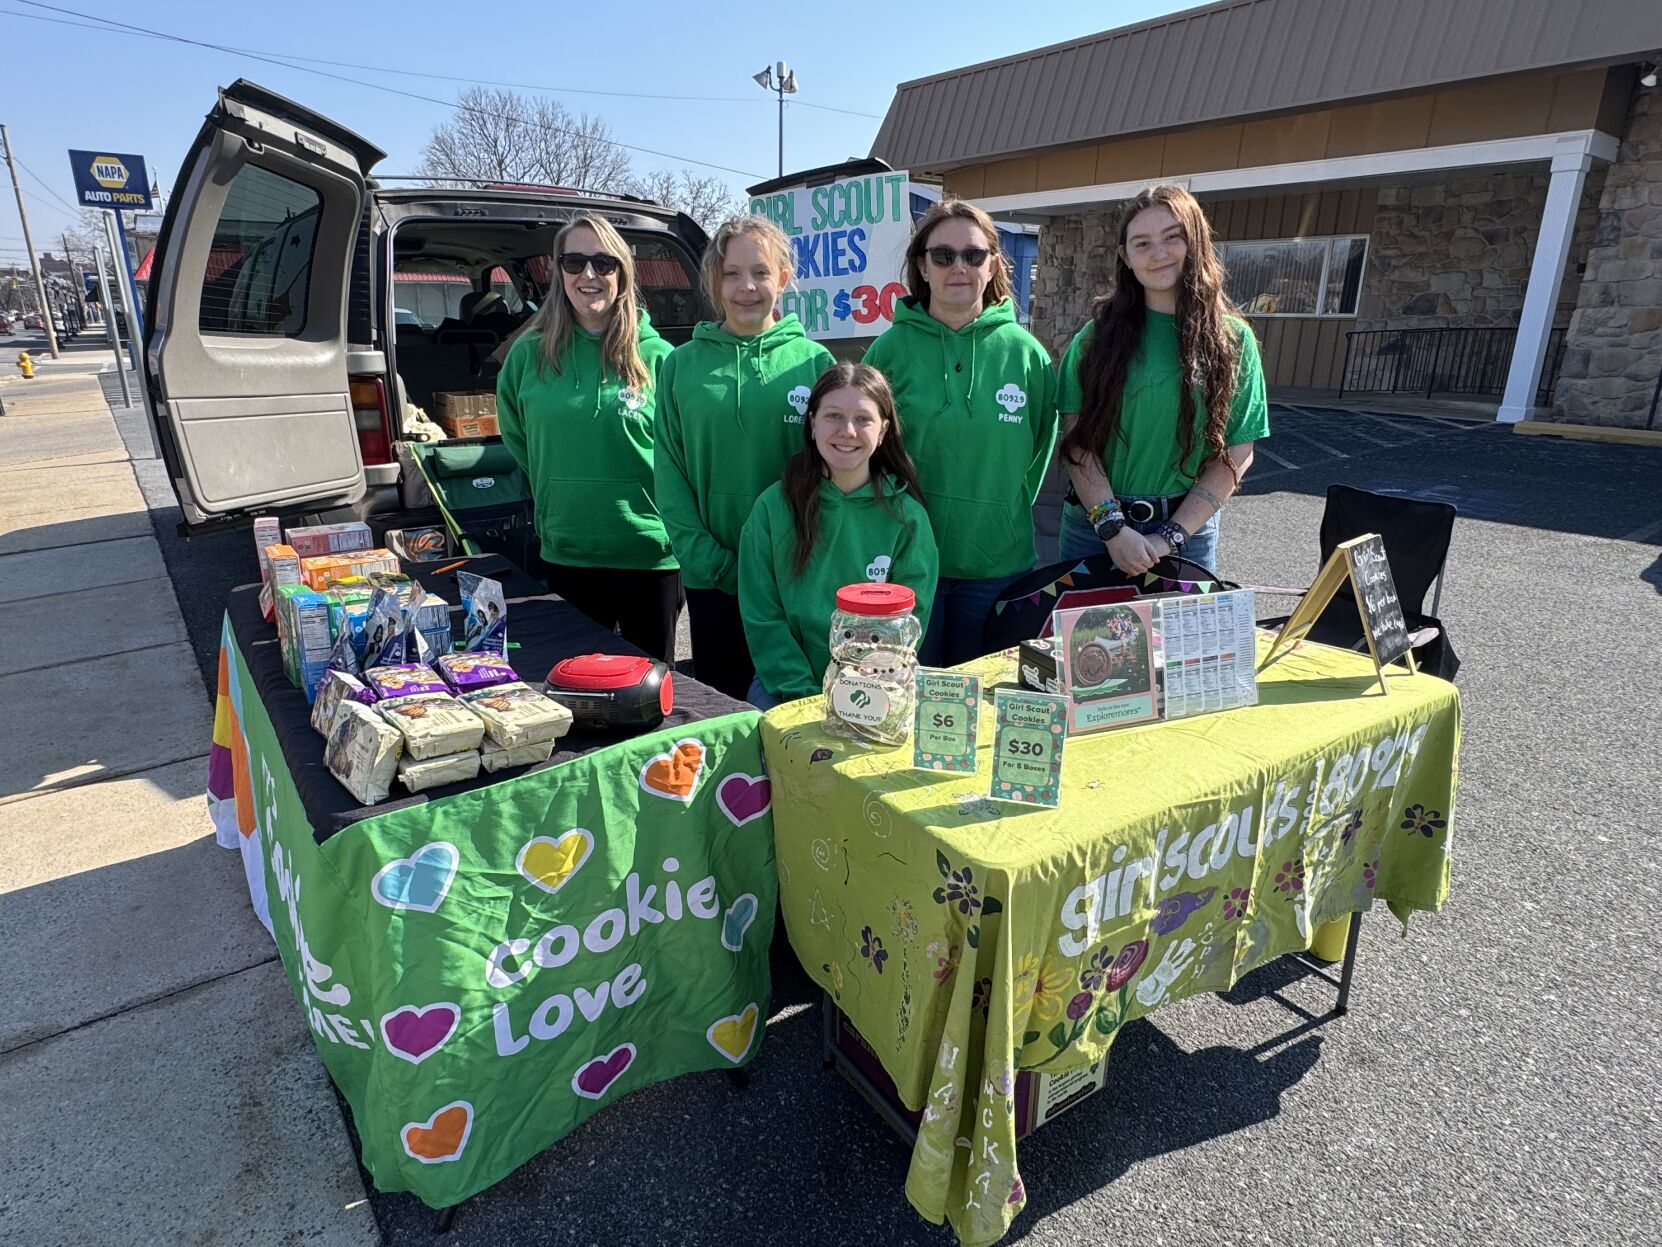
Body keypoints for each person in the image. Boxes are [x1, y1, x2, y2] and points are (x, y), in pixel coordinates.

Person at [862, 199, 1057, 667]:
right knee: (904, 700)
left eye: (973, 255)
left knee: (981, 703)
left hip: (997, 567)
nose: (958, 267)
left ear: (993, 264)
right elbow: (866, 457)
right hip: (907, 564)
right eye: (943, 255)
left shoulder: (1027, 355)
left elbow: (1037, 453)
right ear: (922, 266)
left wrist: (993, 512)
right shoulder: (888, 351)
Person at [654, 215, 835, 700]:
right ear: (715, 281)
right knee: (724, 706)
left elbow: (835, 474)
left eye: (760, 271)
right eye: (732, 274)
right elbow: (669, 473)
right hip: (712, 576)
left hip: (791, 577)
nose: (746, 287)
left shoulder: (813, 363)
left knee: (790, 705)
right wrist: (707, 559)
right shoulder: (680, 365)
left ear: (784, 277)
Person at [1056, 184, 1269, 576]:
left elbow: (1237, 451)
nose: (1159, 253)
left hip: (1188, 534)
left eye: (1173, 237)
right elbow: (1077, 442)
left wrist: (1169, 536)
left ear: (1196, 241)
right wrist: (1113, 529)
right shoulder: (1094, 339)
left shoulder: (1233, 341)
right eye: (1142, 243)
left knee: (1178, 640)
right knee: (1088, 641)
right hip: (1094, 529)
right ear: (1126, 256)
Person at [495, 214, 680, 660]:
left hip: (649, 556)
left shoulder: (659, 358)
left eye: (603, 263)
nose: (589, 275)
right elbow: (519, 438)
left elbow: (681, 455)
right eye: (574, 261)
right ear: (559, 272)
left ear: (623, 272)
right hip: (568, 552)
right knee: (578, 696)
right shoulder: (527, 356)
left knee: (650, 697)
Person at [739, 363, 937, 710]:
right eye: (833, 416)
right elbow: (762, 615)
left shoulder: (908, 519)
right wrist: (803, 694)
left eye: (863, 419)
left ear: (883, 431)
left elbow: (909, 623)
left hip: (876, 686)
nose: (847, 430)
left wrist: (855, 693)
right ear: (812, 423)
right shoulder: (773, 508)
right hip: (785, 685)